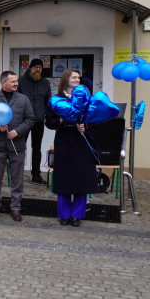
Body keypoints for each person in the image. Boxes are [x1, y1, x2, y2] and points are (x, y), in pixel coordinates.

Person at [45, 68, 99, 227]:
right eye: (74, 77)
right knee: (64, 179)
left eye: (78, 77)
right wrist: (62, 119)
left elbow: (94, 120)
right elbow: (49, 123)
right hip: (64, 143)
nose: (77, 79)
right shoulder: (56, 99)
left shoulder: (86, 98)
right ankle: (64, 214)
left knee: (82, 179)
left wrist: (85, 127)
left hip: (82, 143)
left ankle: (77, 214)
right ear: (66, 79)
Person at [0, 70, 36, 221]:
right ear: (3, 83)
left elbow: (31, 119)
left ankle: (15, 207)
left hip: (17, 145)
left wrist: (18, 131)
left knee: (17, 179)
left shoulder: (24, 99)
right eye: (13, 81)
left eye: (17, 81)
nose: (16, 83)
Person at [19, 58, 51, 184]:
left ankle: (36, 175)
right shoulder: (21, 82)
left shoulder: (45, 83)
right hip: (24, 120)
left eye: (40, 67)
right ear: (30, 68)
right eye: (36, 67)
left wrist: (47, 116)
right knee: (21, 147)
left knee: (36, 148)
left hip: (38, 120)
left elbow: (48, 101)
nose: (38, 69)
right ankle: (18, 173)